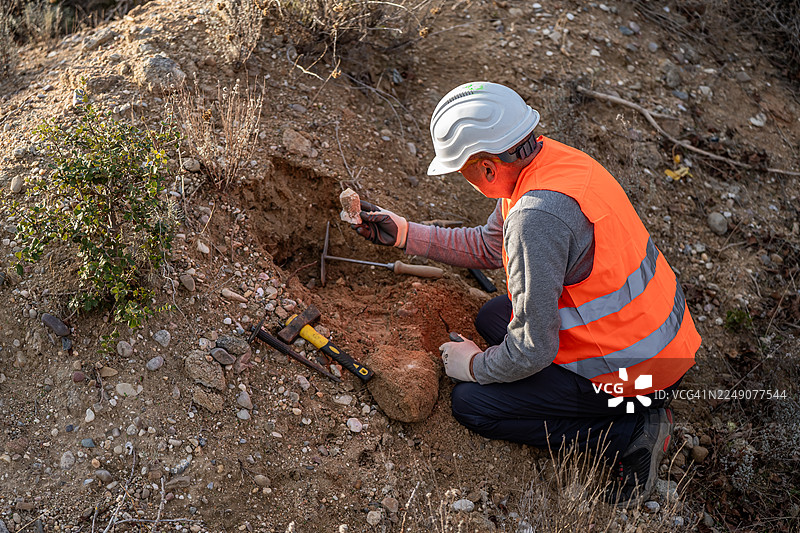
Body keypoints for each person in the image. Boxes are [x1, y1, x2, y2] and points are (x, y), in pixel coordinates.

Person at [352, 81, 701, 507]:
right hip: (661, 339)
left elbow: (533, 349)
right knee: (493, 316)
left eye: (460, 169)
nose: (462, 179)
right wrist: (403, 233)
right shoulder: (549, 161)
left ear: (485, 167)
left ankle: (629, 432)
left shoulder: (537, 218)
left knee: (472, 404)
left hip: (641, 374)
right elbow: (486, 246)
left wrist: (475, 366)